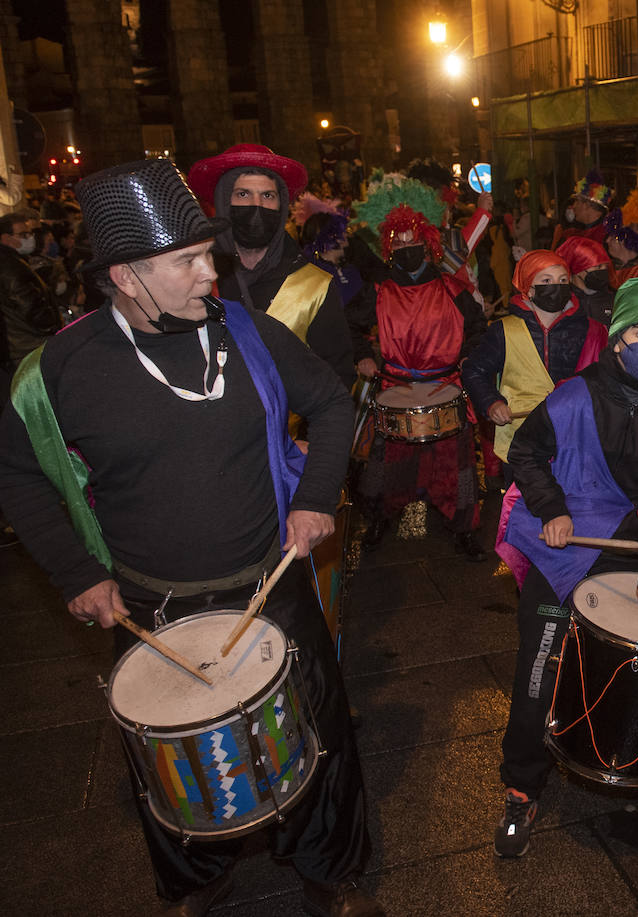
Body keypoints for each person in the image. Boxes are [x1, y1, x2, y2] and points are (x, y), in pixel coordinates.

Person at [0, 159, 380, 916]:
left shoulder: (250, 333)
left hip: (271, 586)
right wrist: (77, 572)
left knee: (320, 737)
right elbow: (18, 474)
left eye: (206, 253)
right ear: (127, 276)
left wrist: (313, 499)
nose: (212, 271)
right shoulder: (58, 373)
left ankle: (326, 869)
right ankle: (196, 880)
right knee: (169, 760)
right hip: (152, 605)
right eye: (188, 260)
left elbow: (333, 405)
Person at [492, 276, 638, 858]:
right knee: (539, 664)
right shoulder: (571, 395)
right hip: (562, 546)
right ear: (617, 339)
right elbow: (525, 454)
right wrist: (552, 508)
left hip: (627, 547)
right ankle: (522, 784)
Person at [350, 176, 487, 560]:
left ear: (427, 244)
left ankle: (464, 529)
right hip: (393, 389)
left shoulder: (452, 289)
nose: (407, 248)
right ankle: (376, 520)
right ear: (389, 248)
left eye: (413, 241)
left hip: (446, 386)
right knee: (383, 466)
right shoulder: (376, 291)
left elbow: (479, 331)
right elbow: (348, 327)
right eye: (399, 243)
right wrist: (363, 353)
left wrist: (468, 359)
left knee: (457, 468)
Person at [188, 144, 355, 388]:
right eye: (243, 194)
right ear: (224, 202)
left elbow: (337, 381)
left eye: (268, 196)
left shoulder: (315, 287)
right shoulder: (193, 281)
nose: (257, 205)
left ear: (281, 205)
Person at [461, 249, 607, 478]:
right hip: (522, 441)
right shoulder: (504, 331)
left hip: (575, 437)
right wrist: (491, 403)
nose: (556, 286)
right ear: (529, 289)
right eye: (546, 281)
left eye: (562, 280)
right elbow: (473, 370)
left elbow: (605, 378)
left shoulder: (591, 330)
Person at [0, 211, 61, 391]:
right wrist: (52, 325)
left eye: (30, 233)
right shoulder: (9, 266)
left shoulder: (14, 261)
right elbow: (29, 307)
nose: (30, 238)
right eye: (23, 234)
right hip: (26, 345)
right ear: (5, 237)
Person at [557, 235, 615, 324]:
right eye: (598, 266)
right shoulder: (561, 301)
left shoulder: (614, 299)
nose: (603, 271)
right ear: (578, 270)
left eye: (605, 266)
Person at [550, 170, 613, 249]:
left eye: (577, 202)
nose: (573, 206)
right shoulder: (569, 234)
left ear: (586, 205)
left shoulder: (609, 238)